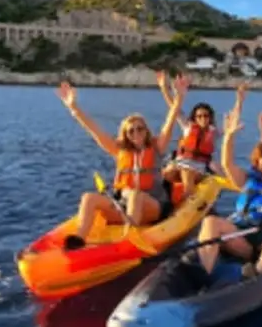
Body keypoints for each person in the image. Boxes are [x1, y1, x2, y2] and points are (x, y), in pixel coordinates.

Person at [56, 75, 186, 251]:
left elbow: (169, 123)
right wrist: (74, 108)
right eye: (131, 131)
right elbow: (95, 131)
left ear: (146, 131)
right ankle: (79, 239)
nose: (136, 133)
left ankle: (129, 239)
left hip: (153, 206)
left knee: (135, 195)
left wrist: (179, 98)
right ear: (125, 134)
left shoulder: (156, 147)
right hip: (124, 207)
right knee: (89, 197)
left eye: (140, 128)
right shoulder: (119, 151)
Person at [185, 108, 262, 288]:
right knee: (211, 221)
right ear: (255, 162)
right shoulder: (247, 178)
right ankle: (202, 274)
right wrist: (229, 137)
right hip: (243, 237)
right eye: (261, 159)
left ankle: (254, 276)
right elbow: (227, 163)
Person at [157, 73, 245, 201]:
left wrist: (239, 101)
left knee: (186, 173)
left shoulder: (214, 132)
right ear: (195, 118)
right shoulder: (188, 127)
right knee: (164, 173)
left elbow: (233, 121)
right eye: (199, 116)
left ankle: (188, 200)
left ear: (210, 117)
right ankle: (164, 202)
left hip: (198, 168)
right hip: (179, 163)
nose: (203, 118)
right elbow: (173, 107)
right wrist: (164, 88)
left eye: (206, 116)